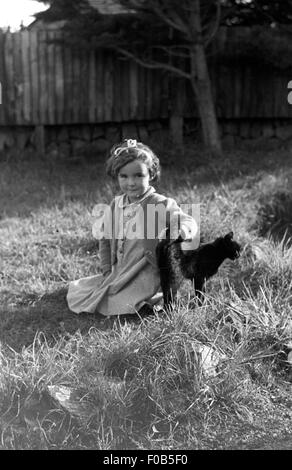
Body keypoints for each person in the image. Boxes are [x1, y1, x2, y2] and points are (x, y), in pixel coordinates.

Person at [67, 139, 198, 316]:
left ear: (150, 174)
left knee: (118, 301)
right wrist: (107, 269)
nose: (131, 182)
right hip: (121, 268)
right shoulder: (116, 204)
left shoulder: (159, 203)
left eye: (138, 175)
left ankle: (144, 303)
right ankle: (126, 295)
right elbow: (105, 239)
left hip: (145, 271)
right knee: (86, 291)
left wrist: (182, 229)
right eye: (124, 176)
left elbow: (186, 220)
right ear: (117, 176)